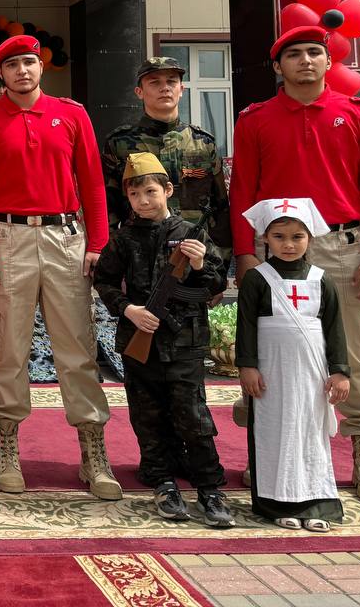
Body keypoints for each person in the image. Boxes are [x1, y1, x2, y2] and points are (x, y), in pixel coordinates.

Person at [229, 25, 360, 505]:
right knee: (271, 356)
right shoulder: (256, 120)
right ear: (277, 66)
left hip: (344, 248)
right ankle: (266, 454)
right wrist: (245, 253)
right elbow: (242, 190)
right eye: (294, 54)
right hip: (277, 251)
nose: (305, 60)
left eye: (314, 53)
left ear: (329, 62)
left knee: (356, 353)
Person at [0, 34, 119, 500]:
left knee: (77, 348)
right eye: (12, 66)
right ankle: (8, 448)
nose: (22, 71)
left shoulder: (71, 114)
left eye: (29, 62)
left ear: (41, 66)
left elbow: (92, 181)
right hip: (6, 238)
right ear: (0, 74)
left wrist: (98, 242)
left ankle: (93, 452)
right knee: (8, 348)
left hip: (65, 237)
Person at [93, 153, 234, 528]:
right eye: (134, 194)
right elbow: (104, 281)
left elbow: (215, 286)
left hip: (185, 340)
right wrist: (129, 310)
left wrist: (200, 264)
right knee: (147, 414)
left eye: (150, 192)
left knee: (194, 415)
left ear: (168, 190)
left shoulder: (192, 234)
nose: (142, 201)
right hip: (139, 340)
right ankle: (163, 482)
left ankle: (210, 487)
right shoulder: (124, 238)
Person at [237, 197, 349, 532]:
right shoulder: (257, 278)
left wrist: (340, 371)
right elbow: (247, 326)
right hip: (271, 371)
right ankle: (276, 503)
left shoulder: (321, 279)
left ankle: (317, 502)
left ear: (310, 238)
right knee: (275, 429)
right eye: (279, 237)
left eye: (297, 237)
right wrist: (247, 366)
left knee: (310, 431)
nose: (288, 244)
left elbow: (334, 328)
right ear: (265, 238)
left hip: (311, 371)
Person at [101, 57, 231, 253]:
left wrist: (220, 259)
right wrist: (112, 255)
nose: (165, 88)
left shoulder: (202, 143)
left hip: (194, 251)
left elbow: (221, 207)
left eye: (171, 81)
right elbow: (107, 206)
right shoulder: (119, 143)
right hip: (139, 253)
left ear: (181, 90)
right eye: (155, 83)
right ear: (139, 92)